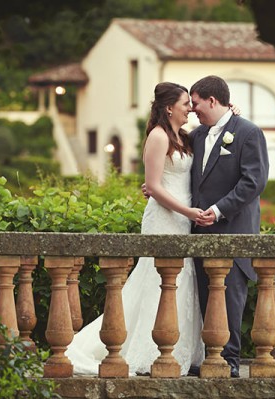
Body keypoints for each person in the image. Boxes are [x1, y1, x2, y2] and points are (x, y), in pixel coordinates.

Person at [65, 82, 206, 376]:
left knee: (180, 281)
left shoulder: (184, 137)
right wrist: (187, 211)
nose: (190, 108)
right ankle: (148, 350)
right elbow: (154, 186)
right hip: (165, 218)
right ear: (169, 108)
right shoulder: (157, 136)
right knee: (156, 281)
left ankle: (176, 350)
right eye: (185, 104)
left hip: (182, 219)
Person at [189, 75, 269, 378]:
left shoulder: (248, 132)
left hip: (234, 229)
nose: (194, 110)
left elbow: (254, 182)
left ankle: (230, 361)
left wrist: (218, 210)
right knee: (203, 297)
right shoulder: (197, 135)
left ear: (212, 100)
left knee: (231, 298)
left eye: (197, 104)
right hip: (199, 231)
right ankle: (209, 356)